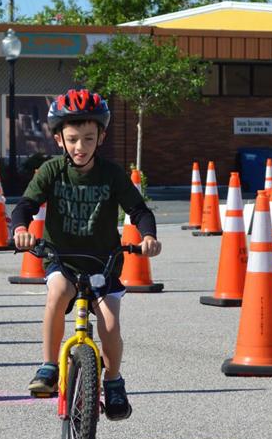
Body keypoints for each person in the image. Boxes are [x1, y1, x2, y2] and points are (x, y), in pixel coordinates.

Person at [11, 89, 162, 420]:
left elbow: (138, 210)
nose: (81, 147)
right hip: (61, 259)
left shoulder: (111, 174)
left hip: (102, 262)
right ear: (59, 139)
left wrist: (148, 235)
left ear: (101, 138)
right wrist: (21, 229)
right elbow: (26, 206)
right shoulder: (51, 170)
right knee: (58, 293)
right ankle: (49, 366)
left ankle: (113, 380)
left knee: (109, 321)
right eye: (73, 138)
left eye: (89, 138)